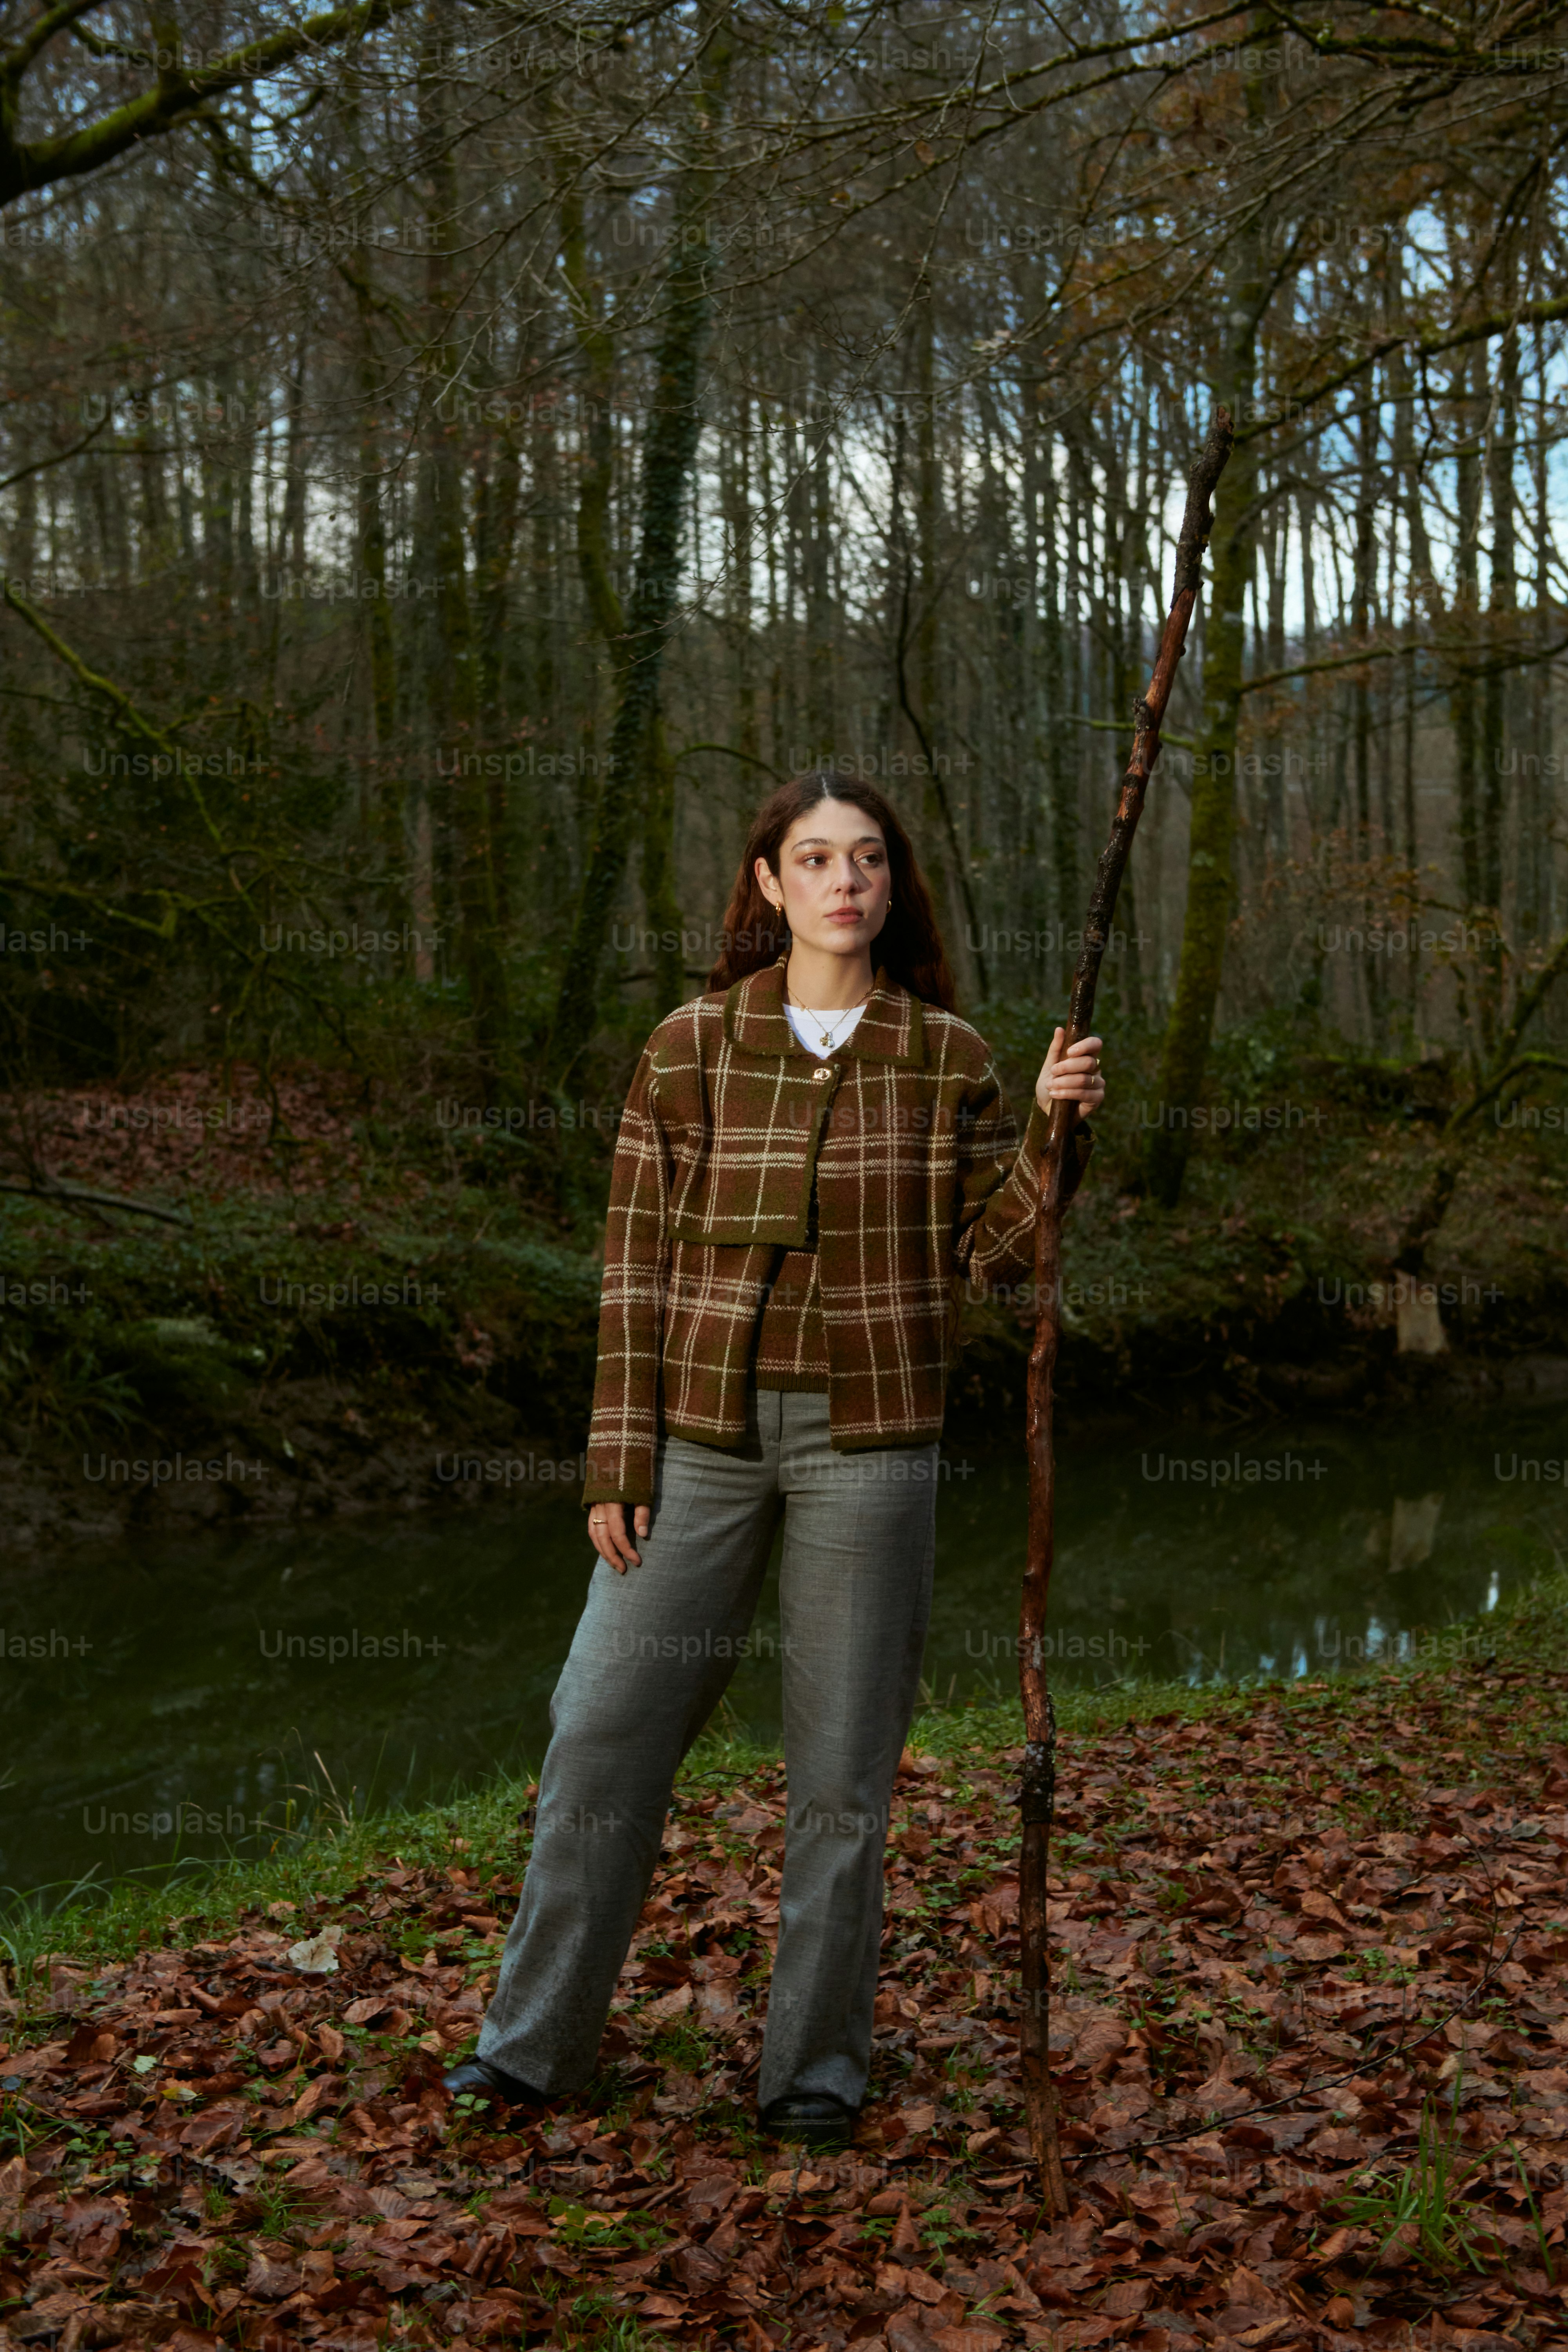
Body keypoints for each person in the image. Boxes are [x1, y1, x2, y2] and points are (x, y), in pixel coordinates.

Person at [445, 769, 1106, 2149]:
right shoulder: (691, 1046)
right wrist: (616, 1453)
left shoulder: (946, 1057)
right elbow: (632, 1266)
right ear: (768, 881)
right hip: (699, 1435)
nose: (843, 882)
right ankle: (533, 2046)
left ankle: (814, 2070)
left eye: (866, 859)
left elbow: (996, 1256)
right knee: (599, 1732)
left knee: (843, 1772)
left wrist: (1055, 1131)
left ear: (892, 884)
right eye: (814, 859)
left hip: (875, 1440)